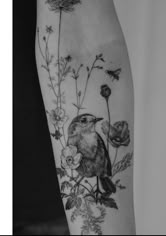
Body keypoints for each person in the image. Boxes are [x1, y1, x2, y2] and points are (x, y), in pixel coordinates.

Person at [36, 0, 135, 234]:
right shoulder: (75, 140)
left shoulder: (92, 139)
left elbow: (84, 44)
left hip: (43, 207)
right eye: (86, 120)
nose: (92, 122)